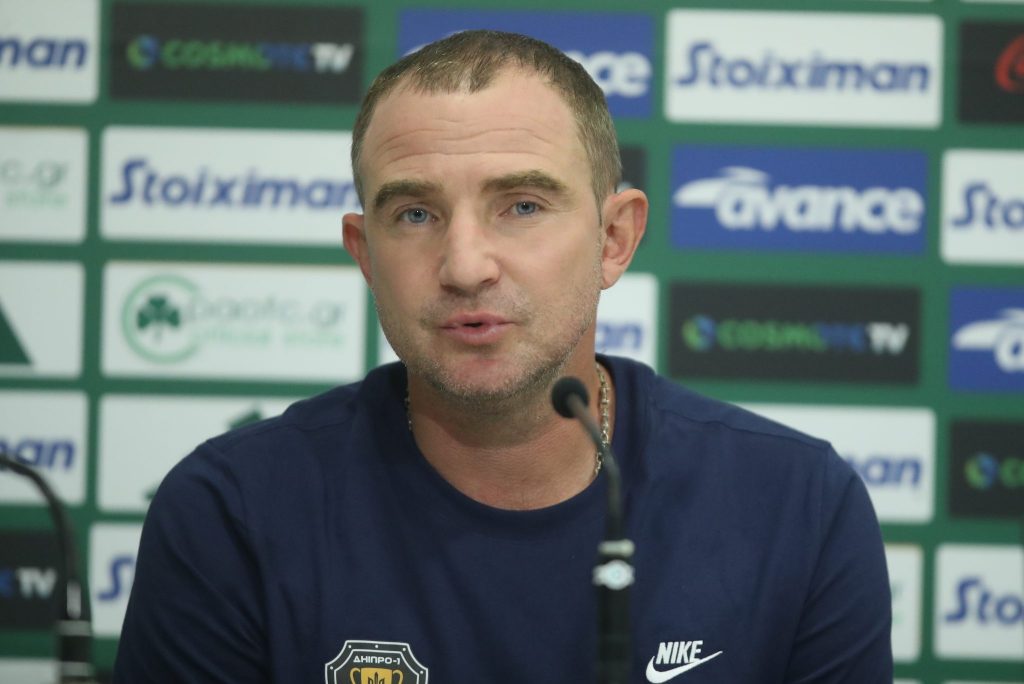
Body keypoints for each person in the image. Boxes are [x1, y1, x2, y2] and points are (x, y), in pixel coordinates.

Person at [113, 30, 892, 683]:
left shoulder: (798, 506)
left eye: (521, 205)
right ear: (365, 253)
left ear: (613, 239)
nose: (464, 265)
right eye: (414, 214)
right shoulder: (231, 513)